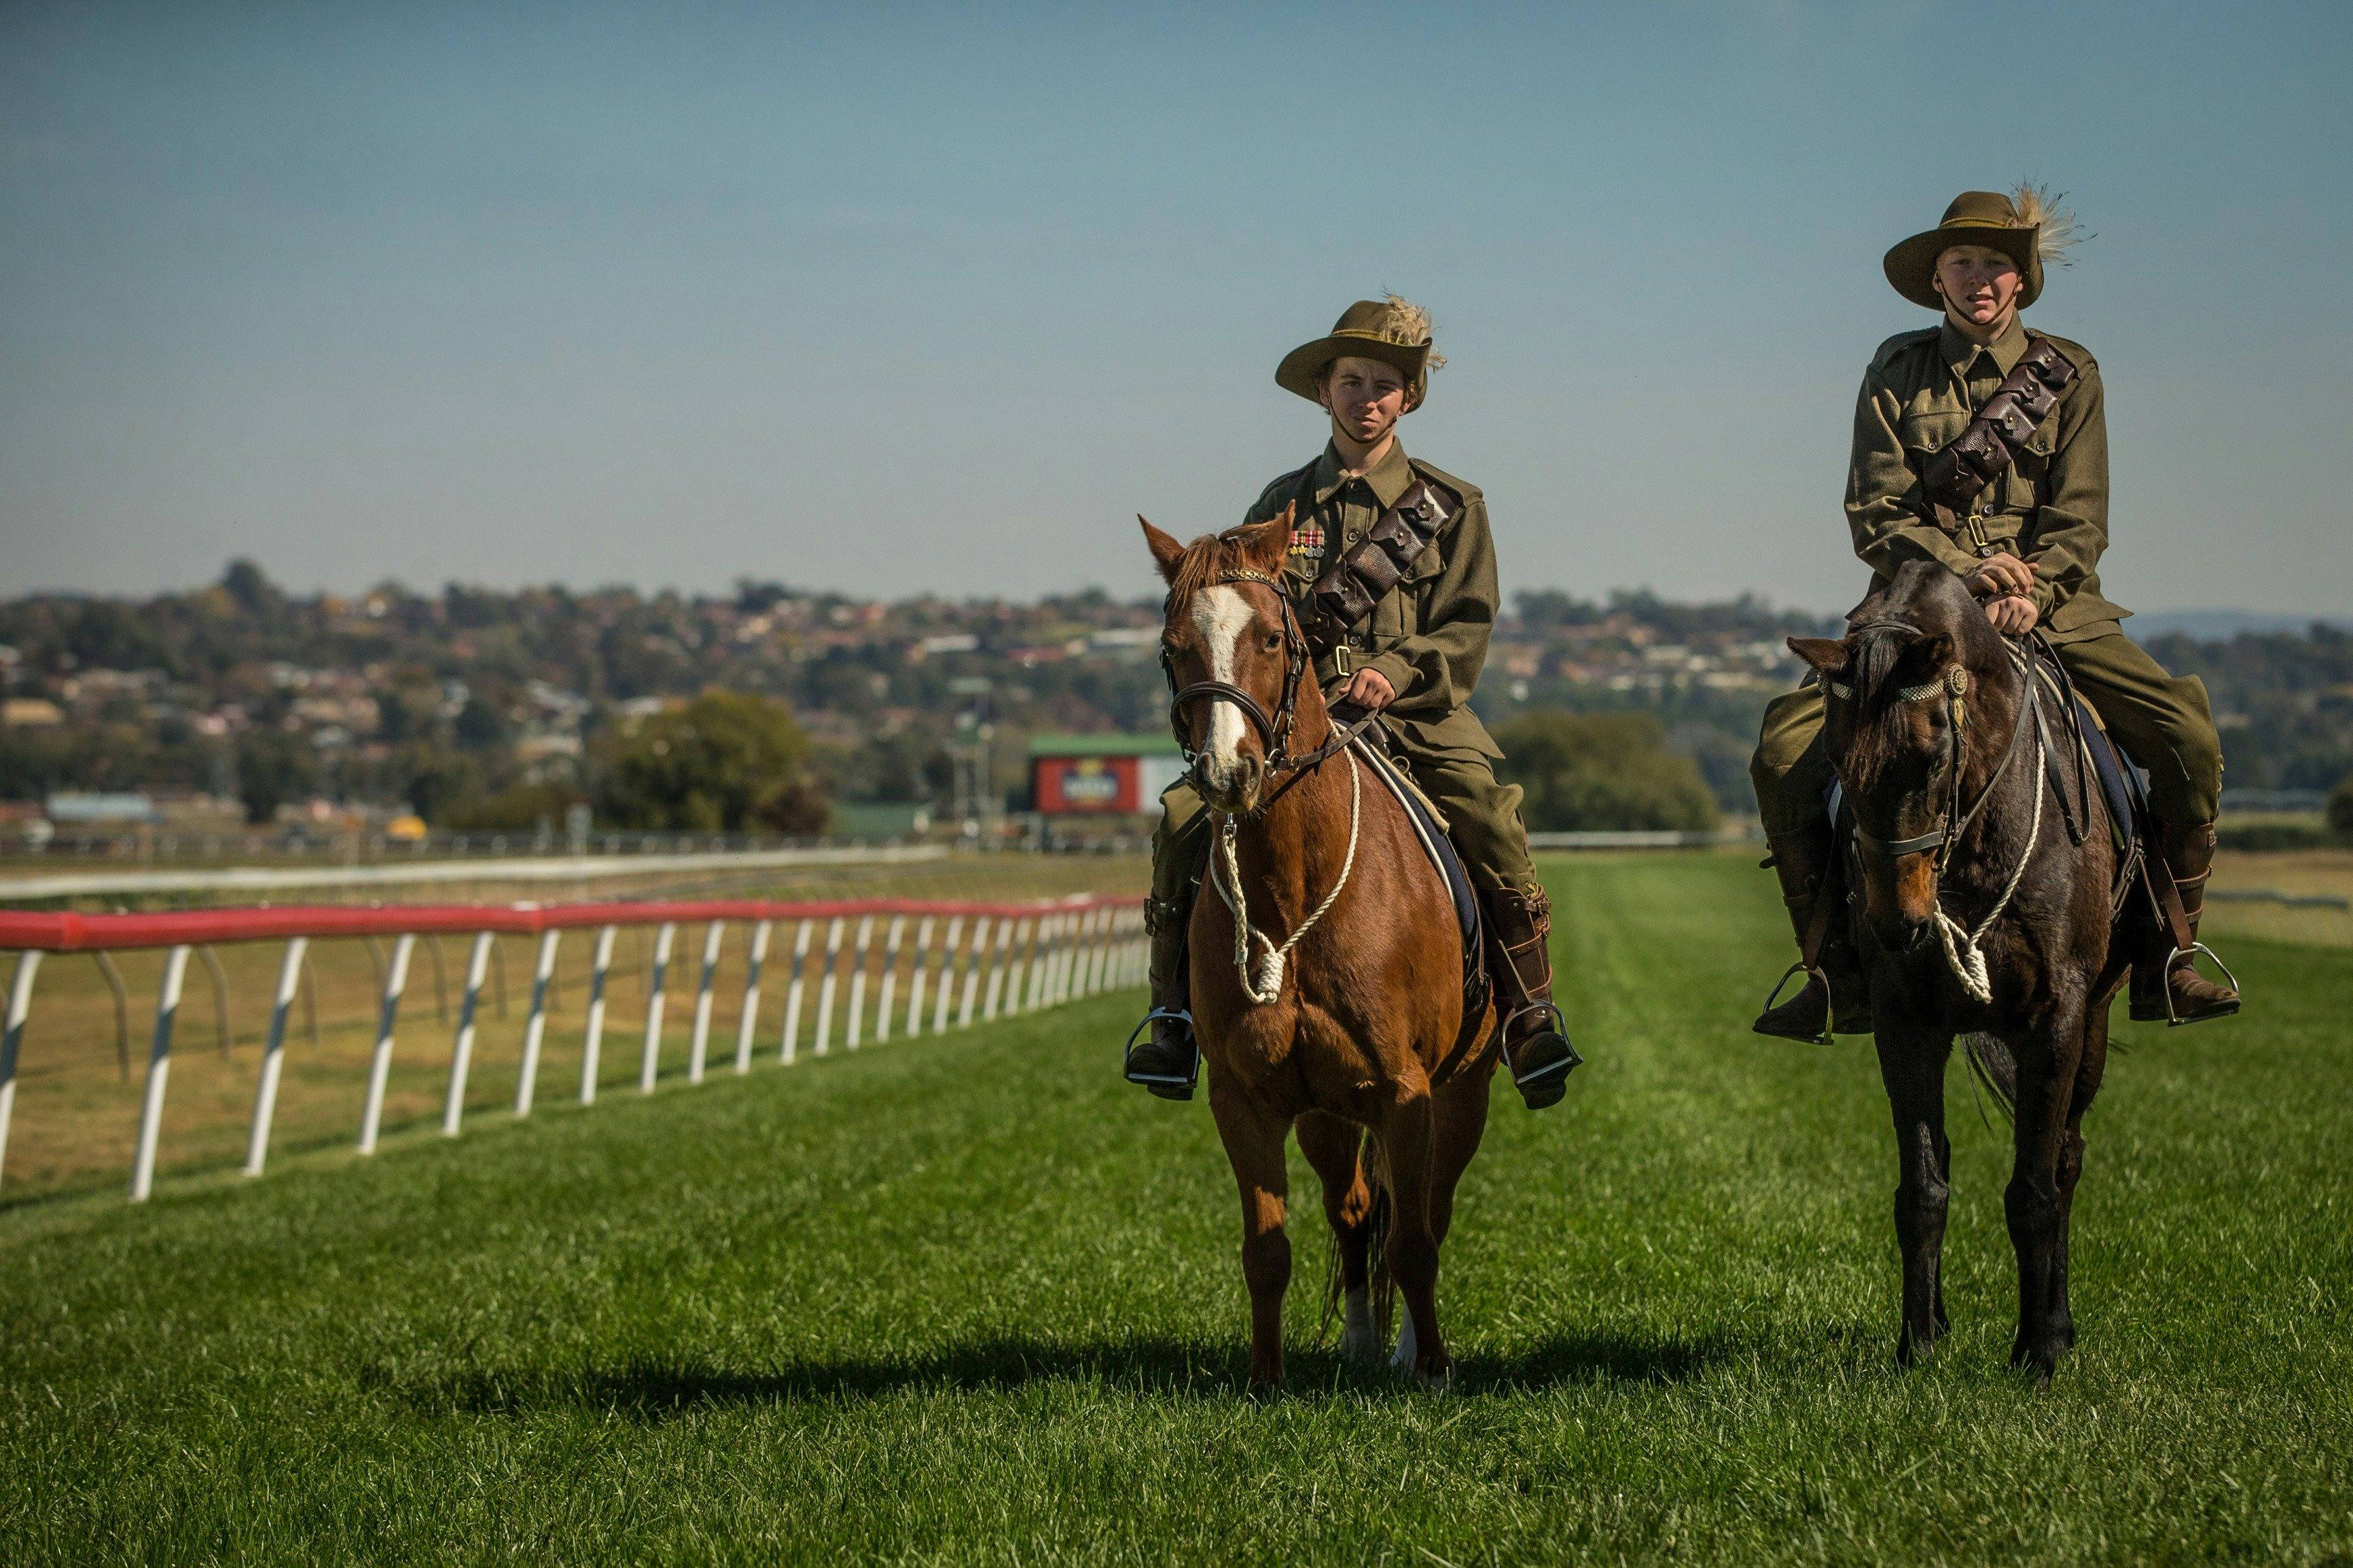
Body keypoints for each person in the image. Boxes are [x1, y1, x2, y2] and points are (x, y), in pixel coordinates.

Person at [1749, 187, 2240, 1040]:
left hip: (2051, 608)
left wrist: (2031, 588)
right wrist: (1969, 574)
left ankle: (2170, 954)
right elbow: (1874, 513)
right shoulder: (1893, 370)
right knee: (1782, 752)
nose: (1979, 278)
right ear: (1936, 278)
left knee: (2188, 736)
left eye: (1996, 264)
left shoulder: (2069, 372)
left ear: (2021, 280)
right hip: (1917, 609)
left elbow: (2081, 515)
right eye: (1962, 262)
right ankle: (1833, 972)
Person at [1121, 295, 1583, 1109]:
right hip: (1296, 719)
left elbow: (1466, 625)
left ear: (1405, 398)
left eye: (1383, 384)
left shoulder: (1453, 505)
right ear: (1322, 391)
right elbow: (1250, 614)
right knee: (1184, 817)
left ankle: (1528, 1013)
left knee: (1485, 812)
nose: (1365, 397)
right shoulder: (1280, 499)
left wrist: (1397, 671)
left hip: (1413, 713)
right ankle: (1172, 1016)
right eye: (1349, 380)